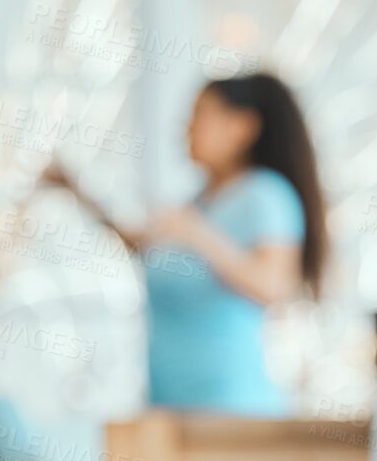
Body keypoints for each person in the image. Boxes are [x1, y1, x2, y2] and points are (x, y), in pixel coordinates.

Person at [44, 73, 325, 416]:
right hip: (168, 405)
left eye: (199, 115)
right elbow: (141, 246)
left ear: (242, 127)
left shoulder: (264, 196)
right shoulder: (199, 203)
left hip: (231, 409)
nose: (186, 130)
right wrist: (77, 192)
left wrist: (198, 235)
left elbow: (275, 287)